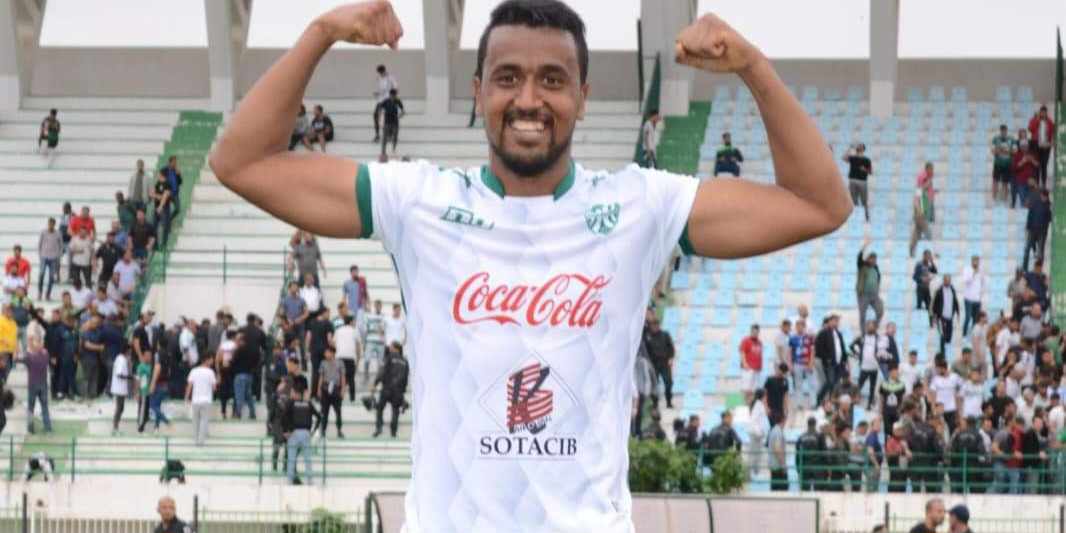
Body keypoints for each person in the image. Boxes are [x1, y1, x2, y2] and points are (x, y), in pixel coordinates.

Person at [206, 1, 853, 529]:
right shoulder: (417, 201)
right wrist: (320, 32)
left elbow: (819, 203)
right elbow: (242, 162)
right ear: (479, 90)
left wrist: (753, 67)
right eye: (508, 77)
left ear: (583, 96)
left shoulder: (640, 207)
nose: (529, 99)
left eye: (553, 79)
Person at [284, 379, 320, 484]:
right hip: (306, 433)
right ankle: (310, 481)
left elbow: (284, 417)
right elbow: (319, 417)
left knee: (291, 459)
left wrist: (286, 431)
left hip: (294, 433)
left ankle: (289, 481)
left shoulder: (291, 403)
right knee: (308, 459)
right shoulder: (308, 403)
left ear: (296, 393)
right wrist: (313, 431)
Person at [373, 342, 409, 438]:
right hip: (398, 391)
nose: (389, 349)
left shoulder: (388, 357)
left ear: (396, 348)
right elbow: (406, 378)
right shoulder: (405, 361)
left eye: (391, 347)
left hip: (387, 388)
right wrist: (403, 392)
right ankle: (393, 433)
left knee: (380, 408)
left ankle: (379, 428)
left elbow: (382, 371)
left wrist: (375, 384)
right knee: (395, 411)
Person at [184, 353, 217, 446]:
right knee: (204, 420)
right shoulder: (210, 372)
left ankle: (195, 440)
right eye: (211, 359)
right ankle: (201, 441)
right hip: (206, 400)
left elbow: (189, 385)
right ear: (207, 360)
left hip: (195, 400)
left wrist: (186, 397)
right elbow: (214, 388)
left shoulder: (194, 371)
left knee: (195, 421)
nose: (212, 361)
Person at [815, 314, 848, 406]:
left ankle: (832, 401)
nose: (836, 323)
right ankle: (819, 398)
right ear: (829, 321)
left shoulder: (839, 333)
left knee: (836, 384)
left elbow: (842, 348)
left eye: (837, 321)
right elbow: (818, 349)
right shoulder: (823, 332)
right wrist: (827, 358)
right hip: (830, 363)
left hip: (839, 363)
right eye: (834, 321)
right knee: (830, 382)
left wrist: (844, 360)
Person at [318, 346, 345, 438]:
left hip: (336, 388)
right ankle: (323, 430)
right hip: (325, 388)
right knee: (324, 411)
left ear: (332, 353)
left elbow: (343, 377)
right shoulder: (323, 363)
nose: (325, 354)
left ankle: (339, 430)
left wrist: (343, 390)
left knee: (338, 411)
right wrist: (319, 389)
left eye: (327, 352)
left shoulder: (340, 363)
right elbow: (321, 377)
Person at [856, 239, 883, 328]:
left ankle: (873, 327)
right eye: (872, 258)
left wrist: (877, 288)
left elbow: (878, 278)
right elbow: (859, 257)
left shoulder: (876, 268)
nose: (873, 260)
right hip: (864, 294)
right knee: (862, 314)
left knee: (880, 311)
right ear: (868, 259)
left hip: (874, 294)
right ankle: (864, 333)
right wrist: (864, 246)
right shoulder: (862, 266)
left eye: (875, 259)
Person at [1024, 187, 1051, 271]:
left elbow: (1049, 219)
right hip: (1032, 230)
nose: (1043, 198)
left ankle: (1039, 269)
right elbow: (1030, 215)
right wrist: (1027, 227)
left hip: (1042, 232)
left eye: (1045, 197)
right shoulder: (1035, 203)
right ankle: (1025, 268)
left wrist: (1045, 232)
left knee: (1041, 252)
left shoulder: (1048, 206)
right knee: (1027, 249)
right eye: (1042, 196)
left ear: (1046, 197)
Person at [933, 275, 960, 357]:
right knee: (942, 336)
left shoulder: (952, 290)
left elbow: (955, 301)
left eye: (949, 280)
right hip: (941, 317)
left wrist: (957, 312)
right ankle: (942, 354)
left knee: (949, 336)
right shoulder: (939, 291)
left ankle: (947, 353)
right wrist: (935, 316)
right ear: (943, 281)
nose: (948, 282)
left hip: (950, 317)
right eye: (946, 280)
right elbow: (935, 304)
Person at [1027, 105, 1055, 186]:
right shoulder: (1034, 119)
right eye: (1042, 112)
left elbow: (1053, 132)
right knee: (1036, 165)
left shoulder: (1049, 121)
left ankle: (1044, 184)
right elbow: (1030, 129)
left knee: (1044, 165)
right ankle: (1036, 184)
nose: (1043, 114)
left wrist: (1051, 142)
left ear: (1046, 113)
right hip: (1036, 145)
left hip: (1046, 146)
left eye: (1044, 112)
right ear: (1040, 112)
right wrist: (1037, 120)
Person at [843, 143, 872, 221]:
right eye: (858, 146)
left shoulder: (867, 160)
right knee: (853, 201)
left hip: (862, 182)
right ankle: (854, 218)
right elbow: (844, 158)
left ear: (863, 149)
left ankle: (866, 217)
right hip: (852, 180)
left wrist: (864, 169)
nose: (858, 147)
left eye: (860, 146)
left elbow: (870, 172)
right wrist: (849, 148)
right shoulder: (853, 158)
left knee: (864, 201)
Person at [36, 219, 62, 301]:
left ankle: (48, 294)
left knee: (51, 277)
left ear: (54, 225)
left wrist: (58, 256)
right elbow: (39, 244)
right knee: (41, 274)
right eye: (49, 224)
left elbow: (61, 245)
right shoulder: (43, 232)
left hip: (53, 258)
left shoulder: (58, 233)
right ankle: (40, 293)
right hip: (44, 257)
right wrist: (40, 255)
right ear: (48, 224)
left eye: (52, 224)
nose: (51, 226)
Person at [372, 64, 398, 142]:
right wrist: (376, 93)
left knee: (389, 117)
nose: (380, 74)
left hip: (388, 100)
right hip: (380, 100)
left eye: (381, 72)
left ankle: (390, 134)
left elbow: (395, 88)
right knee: (375, 115)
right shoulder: (378, 78)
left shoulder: (391, 78)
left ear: (384, 71)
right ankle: (377, 135)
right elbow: (379, 89)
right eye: (379, 73)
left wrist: (392, 96)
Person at [739, 324, 763, 404]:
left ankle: (750, 405)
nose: (755, 333)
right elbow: (742, 352)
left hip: (756, 369)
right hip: (748, 368)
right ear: (751, 331)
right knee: (746, 389)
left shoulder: (759, 342)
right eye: (753, 332)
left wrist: (760, 366)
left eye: (756, 332)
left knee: (753, 390)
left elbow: (759, 355)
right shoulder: (746, 340)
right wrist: (744, 363)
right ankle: (743, 405)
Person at [110, 348, 132, 435]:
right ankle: (115, 428)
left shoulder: (120, 358)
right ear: (127, 351)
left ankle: (116, 427)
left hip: (120, 388)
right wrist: (129, 377)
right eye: (130, 352)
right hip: (119, 388)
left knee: (121, 408)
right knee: (119, 408)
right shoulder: (121, 360)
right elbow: (119, 374)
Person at [362, 299, 386, 381]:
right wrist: (364, 342)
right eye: (377, 305)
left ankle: (379, 378)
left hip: (381, 342)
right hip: (370, 340)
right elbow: (365, 329)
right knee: (367, 359)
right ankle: (366, 375)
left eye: (380, 306)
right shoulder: (369, 316)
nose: (378, 307)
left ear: (381, 306)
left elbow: (386, 329)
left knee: (380, 362)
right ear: (375, 306)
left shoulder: (384, 317)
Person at [909, 183, 933, 258]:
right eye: (928, 183)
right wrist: (920, 211)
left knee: (916, 233)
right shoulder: (919, 190)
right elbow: (916, 201)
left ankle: (911, 250)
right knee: (928, 233)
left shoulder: (925, 192)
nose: (929, 185)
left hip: (922, 216)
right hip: (920, 216)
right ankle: (931, 252)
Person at [379, 88, 405, 157]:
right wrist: (380, 116)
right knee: (385, 138)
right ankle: (383, 152)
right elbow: (380, 108)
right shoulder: (386, 101)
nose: (393, 97)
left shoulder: (397, 101)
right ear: (390, 95)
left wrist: (400, 116)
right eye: (392, 95)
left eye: (394, 96)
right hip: (387, 122)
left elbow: (403, 110)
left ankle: (393, 150)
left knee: (395, 137)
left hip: (395, 122)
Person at [767, 412, 788, 491]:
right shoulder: (778, 432)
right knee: (782, 489)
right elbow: (777, 449)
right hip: (778, 466)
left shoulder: (774, 430)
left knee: (775, 488)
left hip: (775, 465)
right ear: (783, 420)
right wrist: (783, 464)